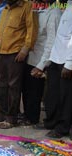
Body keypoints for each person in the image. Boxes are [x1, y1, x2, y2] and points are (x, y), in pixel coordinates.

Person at [0, 0, 38, 129]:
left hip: (16, 53)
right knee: (0, 84)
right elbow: (0, 32)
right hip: (1, 52)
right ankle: (2, 113)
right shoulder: (6, 8)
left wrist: (25, 49)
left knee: (13, 86)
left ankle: (11, 118)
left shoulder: (28, 6)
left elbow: (32, 29)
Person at [21, 0, 61, 127]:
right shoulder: (36, 9)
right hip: (30, 56)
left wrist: (41, 65)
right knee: (26, 89)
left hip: (41, 59)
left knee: (36, 91)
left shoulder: (54, 13)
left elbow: (51, 42)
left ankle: (34, 118)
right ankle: (27, 115)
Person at [44, 0, 72, 140]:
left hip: (67, 61)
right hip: (56, 57)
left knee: (66, 97)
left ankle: (63, 128)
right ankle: (54, 123)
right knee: (54, 94)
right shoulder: (67, 6)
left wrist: (69, 64)